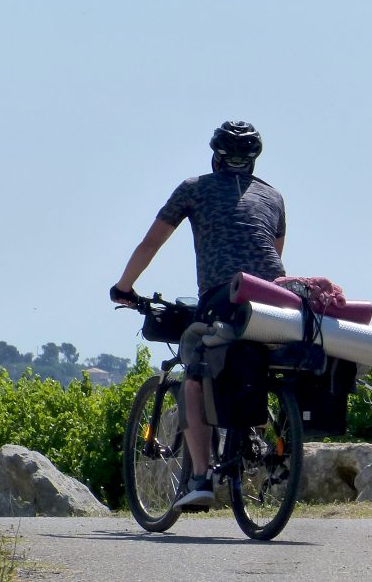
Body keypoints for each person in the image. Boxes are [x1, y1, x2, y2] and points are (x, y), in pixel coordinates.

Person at [110, 120, 286, 509]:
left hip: (222, 294)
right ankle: (257, 435)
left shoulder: (194, 189)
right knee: (253, 359)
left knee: (193, 374)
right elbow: (274, 255)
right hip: (276, 301)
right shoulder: (274, 197)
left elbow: (150, 243)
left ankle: (201, 479)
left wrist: (123, 288)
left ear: (216, 156)